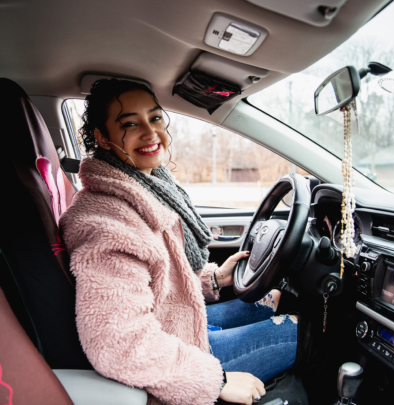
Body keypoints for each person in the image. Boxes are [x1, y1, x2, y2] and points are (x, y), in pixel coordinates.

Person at [59, 79, 298, 405]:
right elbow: (118, 340)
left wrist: (214, 279)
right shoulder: (106, 223)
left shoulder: (146, 188)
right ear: (103, 137)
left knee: (272, 299)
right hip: (170, 361)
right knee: (301, 331)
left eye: (155, 118)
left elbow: (157, 278)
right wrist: (216, 381)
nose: (150, 133)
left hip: (174, 326)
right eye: (130, 123)